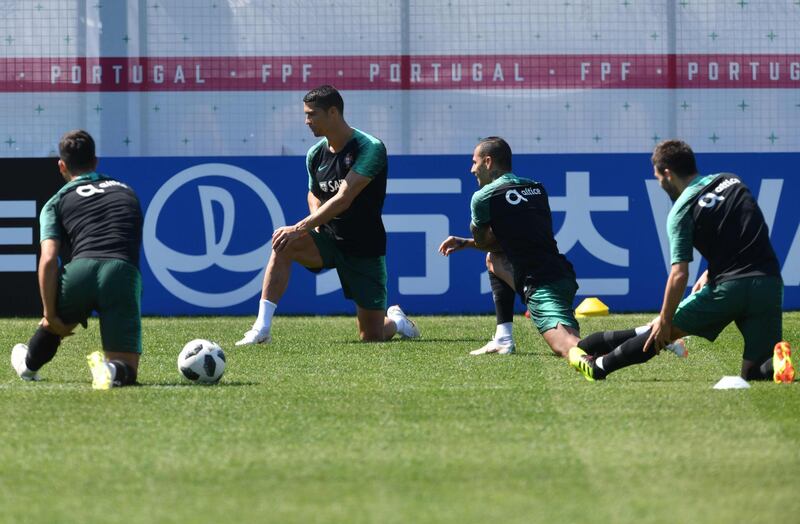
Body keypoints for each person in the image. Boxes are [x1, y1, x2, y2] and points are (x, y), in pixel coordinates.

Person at [569, 139, 794, 383]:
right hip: (768, 283)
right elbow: (748, 230)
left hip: (729, 289)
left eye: (657, 177)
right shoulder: (731, 181)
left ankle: (599, 366)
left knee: (660, 333)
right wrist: (711, 270)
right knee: (755, 372)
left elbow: (679, 274)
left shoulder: (681, 210)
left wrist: (665, 320)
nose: (659, 183)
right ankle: (777, 362)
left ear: (667, 174)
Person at [236, 85, 419, 345]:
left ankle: (398, 321)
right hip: (328, 239)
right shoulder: (315, 154)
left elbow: (344, 198)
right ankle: (261, 328)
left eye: (312, 114)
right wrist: (315, 224)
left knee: (372, 336)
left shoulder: (370, 148)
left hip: (364, 247)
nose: (306, 121)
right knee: (283, 243)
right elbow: (314, 193)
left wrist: (300, 227)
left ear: (333, 112)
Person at [10, 130, 144, 390]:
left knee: (53, 326)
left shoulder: (55, 202)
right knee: (126, 369)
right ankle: (109, 369)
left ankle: (28, 365)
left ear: (61, 166)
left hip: (79, 272)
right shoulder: (127, 191)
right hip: (121, 272)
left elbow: (49, 260)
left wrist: (50, 315)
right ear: (95, 161)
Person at [438, 137, 580, 358]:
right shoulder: (536, 188)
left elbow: (486, 241)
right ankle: (503, 338)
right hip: (563, 274)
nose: (471, 169)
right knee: (493, 258)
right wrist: (466, 243)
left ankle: (639, 336)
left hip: (540, 283)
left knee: (570, 347)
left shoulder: (484, 197)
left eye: (474, 162)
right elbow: (522, 238)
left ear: (487, 162)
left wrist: (473, 234)